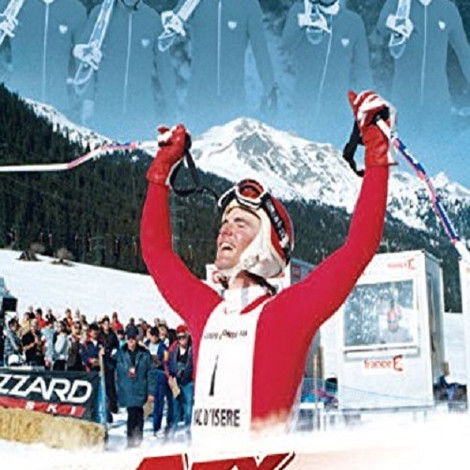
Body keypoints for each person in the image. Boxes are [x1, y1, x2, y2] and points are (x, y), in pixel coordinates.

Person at [141, 90, 394, 440]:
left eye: (241, 223)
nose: (225, 229)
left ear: (266, 244)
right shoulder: (206, 310)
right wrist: (160, 172)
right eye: (224, 222)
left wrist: (376, 152)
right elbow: (156, 251)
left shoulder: (288, 313)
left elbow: (359, 246)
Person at [162, 0, 276, 130]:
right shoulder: (191, 4)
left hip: (233, 101)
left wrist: (270, 87)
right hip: (198, 101)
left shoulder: (248, 4)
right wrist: (168, 29)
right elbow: (171, 26)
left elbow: (260, 49)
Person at [75, 0, 177, 141]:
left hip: (141, 114)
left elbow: (165, 69)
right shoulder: (101, 15)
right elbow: (84, 61)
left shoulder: (152, 19)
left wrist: (173, 109)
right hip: (105, 109)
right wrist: (88, 98)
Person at [282, 0, 372, 144]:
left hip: (336, 115)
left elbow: (363, 70)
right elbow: (285, 45)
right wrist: (303, 19)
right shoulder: (300, 10)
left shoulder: (353, 22)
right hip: (302, 109)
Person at [375, 0, 470, 135]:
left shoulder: (447, 8)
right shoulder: (398, 3)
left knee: (438, 145)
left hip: (438, 103)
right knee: (404, 144)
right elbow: (380, 27)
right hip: (403, 101)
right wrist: (397, 23)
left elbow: (464, 53)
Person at [0, 0, 87, 117]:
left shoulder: (75, 9)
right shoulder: (10, 4)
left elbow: (85, 63)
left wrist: (87, 100)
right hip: (18, 103)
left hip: (59, 106)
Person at [115, 325, 156, 448]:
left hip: (140, 388)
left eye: (133, 338)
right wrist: (103, 355)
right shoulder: (120, 353)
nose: (131, 341)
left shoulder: (144, 354)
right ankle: (131, 441)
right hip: (127, 389)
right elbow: (110, 365)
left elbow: (151, 373)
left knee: (139, 415)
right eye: (129, 338)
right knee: (132, 415)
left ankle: (137, 440)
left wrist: (151, 392)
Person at [168, 324, 193, 437]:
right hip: (175, 381)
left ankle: (188, 430)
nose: (181, 339)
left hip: (188, 381)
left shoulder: (192, 348)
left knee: (188, 407)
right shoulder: (173, 348)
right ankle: (173, 431)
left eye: (183, 337)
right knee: (175, 407)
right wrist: (169, 376)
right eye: (179, 337)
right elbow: (166, 362)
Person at [99, 316, 119, 414]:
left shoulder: (112, 335)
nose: (106, 326)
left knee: (111, 384)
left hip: (110, 361)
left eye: (108, 324)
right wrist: (100, 350)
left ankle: (113, 406)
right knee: (103, 384)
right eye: (105, 324)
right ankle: (104, 404)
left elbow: (117, 346)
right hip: (102, 361)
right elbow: (98, 345)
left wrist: (114, 352)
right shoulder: (100, 335)